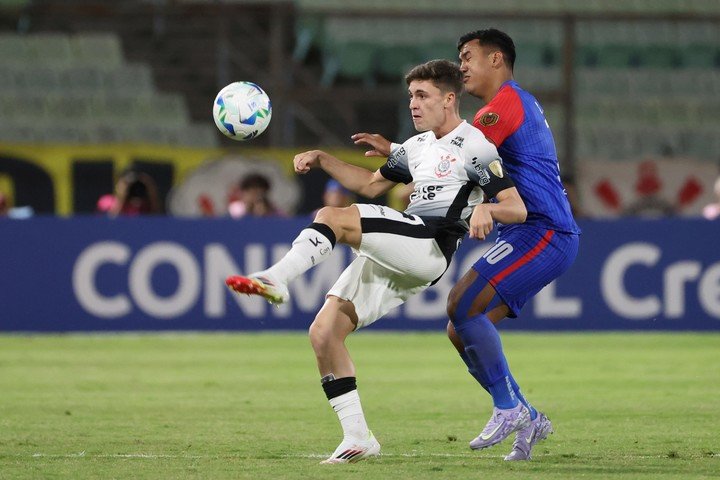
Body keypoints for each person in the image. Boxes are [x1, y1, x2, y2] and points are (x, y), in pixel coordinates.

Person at [225, 60, 527, 464]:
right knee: (324, 333)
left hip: (430, 244)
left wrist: (489, 210)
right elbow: (370, 184)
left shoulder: (475, 146)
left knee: (332, 216)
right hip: (402, 250)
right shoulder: (416, 147)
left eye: (422, 96)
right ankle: (358, 437)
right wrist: (322, 158)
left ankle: (276, 278)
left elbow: (517, 207)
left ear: (449, 99)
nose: (413, 105)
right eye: (410, 97)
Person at [353, 29, 581, 461]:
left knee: (461, 303)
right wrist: (403, 152)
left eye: (468, 57)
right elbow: (454, 152)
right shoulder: (508, 106)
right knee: (462, 327)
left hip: (545, 230)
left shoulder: (504, 105)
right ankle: (528, 417)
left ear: (496, 59)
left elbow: (462, 150)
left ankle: (509, 408)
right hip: (527, 231)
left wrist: (486, 207)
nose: (462, 66)